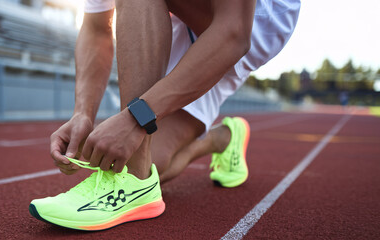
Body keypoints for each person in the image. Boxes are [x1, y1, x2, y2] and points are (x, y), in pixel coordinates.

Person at [29, 0, 300, 231]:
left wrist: (135, 119)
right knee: (154, 163)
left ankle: (133, 178)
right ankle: (220, 140)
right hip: (178, 17)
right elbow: (97, 27)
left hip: (253, 21)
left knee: (131, 157)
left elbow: (235, 32)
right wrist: (82, 113)